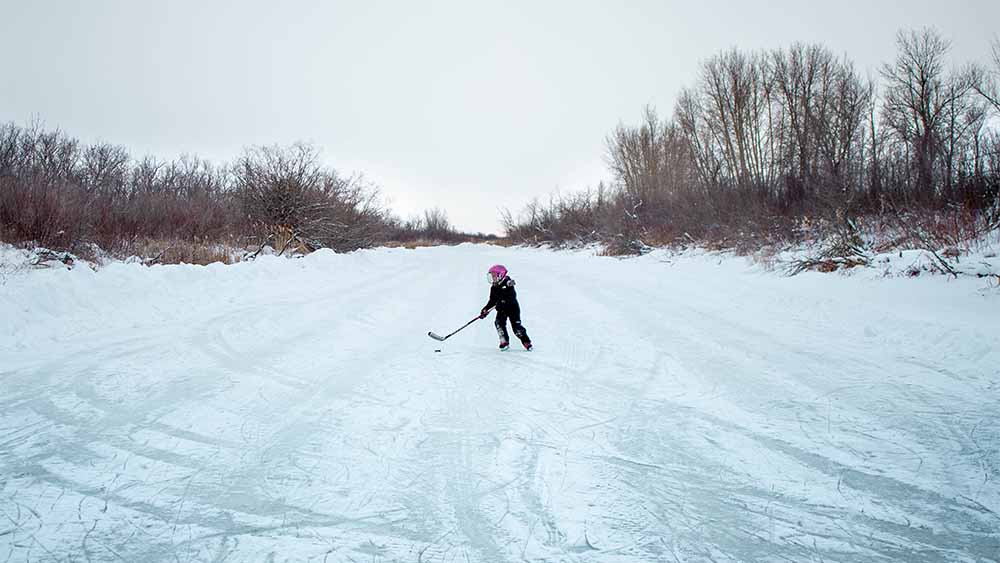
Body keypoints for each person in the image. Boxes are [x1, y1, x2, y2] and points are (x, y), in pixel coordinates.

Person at [480, 264, 532, 351]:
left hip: (512, 309)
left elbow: (511, 297)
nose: (493, 278)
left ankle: (526, 342)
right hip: (501, 310)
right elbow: (492, 301)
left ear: (501, 275)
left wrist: (502, 301)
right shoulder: (493, 287)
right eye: (492, 276)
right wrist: (485, 309)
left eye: (494, 276)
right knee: (499, 323)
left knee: (516, 328)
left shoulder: (508, 283)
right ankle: (504, 341)